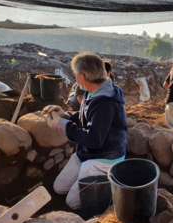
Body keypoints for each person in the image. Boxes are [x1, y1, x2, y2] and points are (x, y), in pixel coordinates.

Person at [42, 53, 127, 209]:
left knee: (72, 203)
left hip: (104, 158)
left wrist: (63, 125)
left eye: (75, 74)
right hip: (88, 153)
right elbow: (86, 116)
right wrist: (65, 115)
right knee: (59, 188)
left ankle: (110, 187)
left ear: (82, 76)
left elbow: (94, 139)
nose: (74, 77)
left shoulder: (105, 102)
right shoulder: (93, 91)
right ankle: (88, 179)